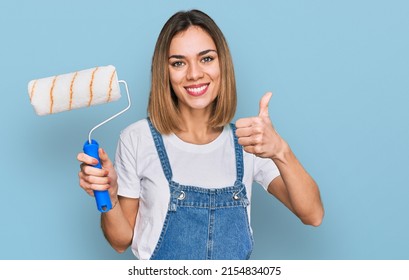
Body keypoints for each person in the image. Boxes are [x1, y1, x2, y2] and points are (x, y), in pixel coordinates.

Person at [77, 9, 324, 260]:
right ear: (165, 72)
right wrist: (110, 199)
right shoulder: (137, 139)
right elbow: (120, 242)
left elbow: (313, 214)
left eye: (206, 59)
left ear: (222, 64)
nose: (194, 73)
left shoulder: (248, 140)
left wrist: (281, 151)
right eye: (178, 63)